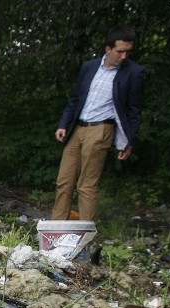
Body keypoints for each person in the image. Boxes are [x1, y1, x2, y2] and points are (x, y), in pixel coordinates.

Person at [51, 27, 145, 221]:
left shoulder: (134, 72)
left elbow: (134, 110)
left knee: (87, 185)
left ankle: (84, 237)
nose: (124, 56)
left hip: (102, 129)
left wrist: (130, 141)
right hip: (77, 128)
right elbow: (75, 98)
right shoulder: (89, 66)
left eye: (128, 51)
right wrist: (63, 124)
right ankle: (55, 230)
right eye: (120, 51)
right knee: (64, 181)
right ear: (108, 49)